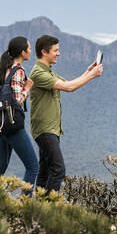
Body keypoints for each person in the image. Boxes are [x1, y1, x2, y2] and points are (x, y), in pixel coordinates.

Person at [29, 34, 103, 194]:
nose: (58, 53)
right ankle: (49, 207)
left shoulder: (48, 71)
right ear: (44, 52)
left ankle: (39, 207)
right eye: (55, 50)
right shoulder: (38, 73)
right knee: (58, 169)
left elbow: (68, 83)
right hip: (45, 129)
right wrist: (92, 75)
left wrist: (88, 71)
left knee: (46, 170)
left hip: (51, 129)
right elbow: (69, 88)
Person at [0, 36, 39, 194]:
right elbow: (16, 100)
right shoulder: (18, 71)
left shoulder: (2, 68)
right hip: (13, 126)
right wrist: (27, 88)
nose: (30, 51)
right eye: (28, 48)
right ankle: (23, 205)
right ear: (22, 52)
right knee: (33, 166)